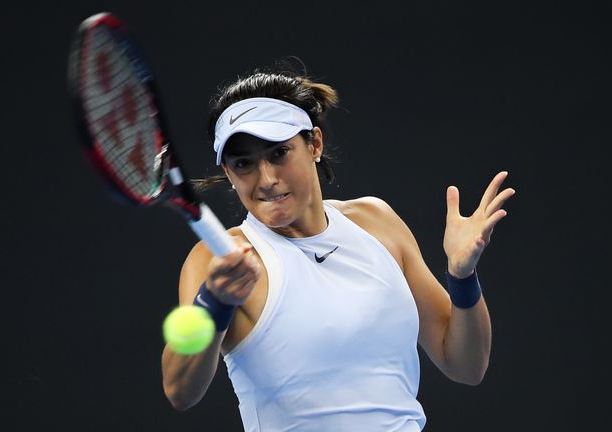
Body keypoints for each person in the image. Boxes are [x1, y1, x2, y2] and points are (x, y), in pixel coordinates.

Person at [161, 66, 515, 431]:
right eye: (243, 164)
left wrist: (462, 276)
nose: (266, 179)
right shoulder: (215, 260)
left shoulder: (376, 222)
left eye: (279, 152)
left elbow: (466, 365)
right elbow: (179, 390)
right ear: (229, 174)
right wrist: (214, 302)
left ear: (314, 144)